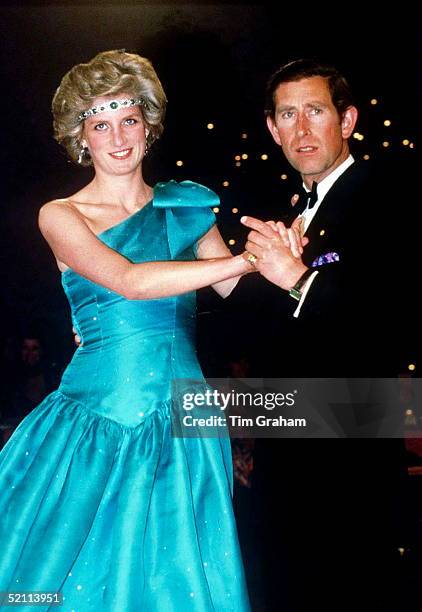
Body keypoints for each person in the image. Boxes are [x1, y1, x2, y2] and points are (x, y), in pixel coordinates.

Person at [0, 50, 252, 611]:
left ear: (149, 126)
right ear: (81, 137)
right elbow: (130, 281)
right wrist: (243, 261)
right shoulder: (61, 214)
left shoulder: (189, 207)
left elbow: (243, 301)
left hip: (187, 422)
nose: (117, 137)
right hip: (97, 420)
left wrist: (288, 262)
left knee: (177, 580)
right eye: (100, 123)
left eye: (129, 119)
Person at [239, 59, 413, 611]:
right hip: (287, 449)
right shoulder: (290, 209)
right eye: (287, 115)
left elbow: (392, 320)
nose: (302, 129)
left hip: (353, 462)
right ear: (273, 130)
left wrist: (296, 278)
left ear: (348, 120)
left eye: (316, 111)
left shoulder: (391, 193)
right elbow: (265, 329)